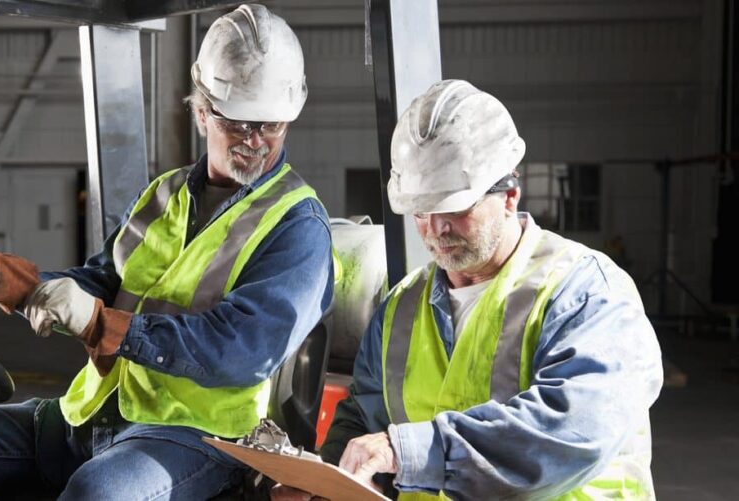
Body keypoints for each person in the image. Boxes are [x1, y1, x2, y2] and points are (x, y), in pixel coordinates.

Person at [0, 4, 334, 500]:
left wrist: (103, 326)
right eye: (238, 122)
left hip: (197, 437)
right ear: (203, 110)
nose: (254, 141)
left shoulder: (297, 225)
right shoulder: (166, 194)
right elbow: (103, 283)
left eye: (269, 125)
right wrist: (5, 280)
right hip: (96, 411)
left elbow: (244, 350)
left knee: (99, 493)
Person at [274, 79, 663, 500]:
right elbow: (362, 418)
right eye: (422, 210)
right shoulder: (400, 309)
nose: (437, 228)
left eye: (456, 208)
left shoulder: (582, 293)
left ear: (510, 195)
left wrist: (407, 453)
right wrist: (324, 483)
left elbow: (573, 430)